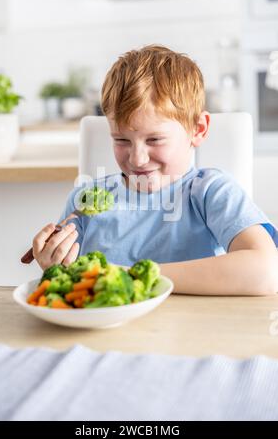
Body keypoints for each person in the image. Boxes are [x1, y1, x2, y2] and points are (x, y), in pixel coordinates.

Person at [32, 45, 278, 295]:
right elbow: (70, 288)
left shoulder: (211, 192)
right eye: (121, 140)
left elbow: (267, 271)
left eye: (155, 140)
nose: (137, 159)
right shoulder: (85, 199)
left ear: (198, 129)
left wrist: (134, 276)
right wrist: (53, 267)